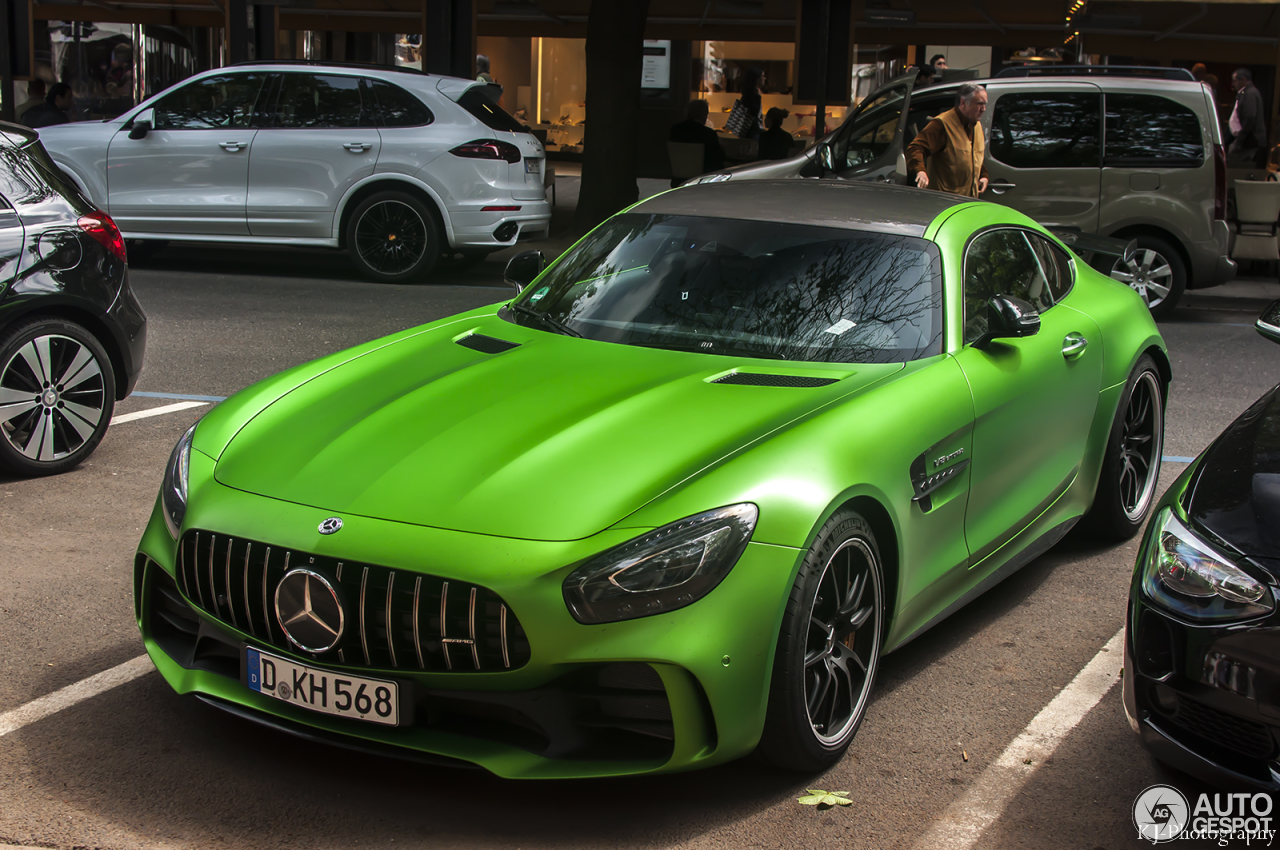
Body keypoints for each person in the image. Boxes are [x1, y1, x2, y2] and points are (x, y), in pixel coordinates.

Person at [906, 83, 989, 197]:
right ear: (963, 103)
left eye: (984, 104)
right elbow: (915, 148)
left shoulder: (976, 125)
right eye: (979, 104)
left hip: (968, 202)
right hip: (945, 201)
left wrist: (983, 175)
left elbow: (972, 156)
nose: (983, 109)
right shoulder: (942, 124)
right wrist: (921, 171)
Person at [669, 99, 725, 186]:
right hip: (702, 178)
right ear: (703, 115)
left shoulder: (675, 130)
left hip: (678, 179)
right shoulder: (708, 133)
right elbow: (718, 158)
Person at [1228, 67, 1267, 166]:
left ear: (1243, 80)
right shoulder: (1245, 93)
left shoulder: (1249, 94)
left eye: (1235, 81)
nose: (1233, 84)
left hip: (1250, 141)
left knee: (1242, 168)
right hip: (1247, 140)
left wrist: (1239, 140)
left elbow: (1250, 118)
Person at [738, 66, 764, 139]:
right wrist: (758, 96)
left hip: (749, 131)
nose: (764, 78)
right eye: (762, 76)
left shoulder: (748, 93)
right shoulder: (752, 94)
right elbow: (755, 111)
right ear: (757, 79)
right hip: (752, 132)